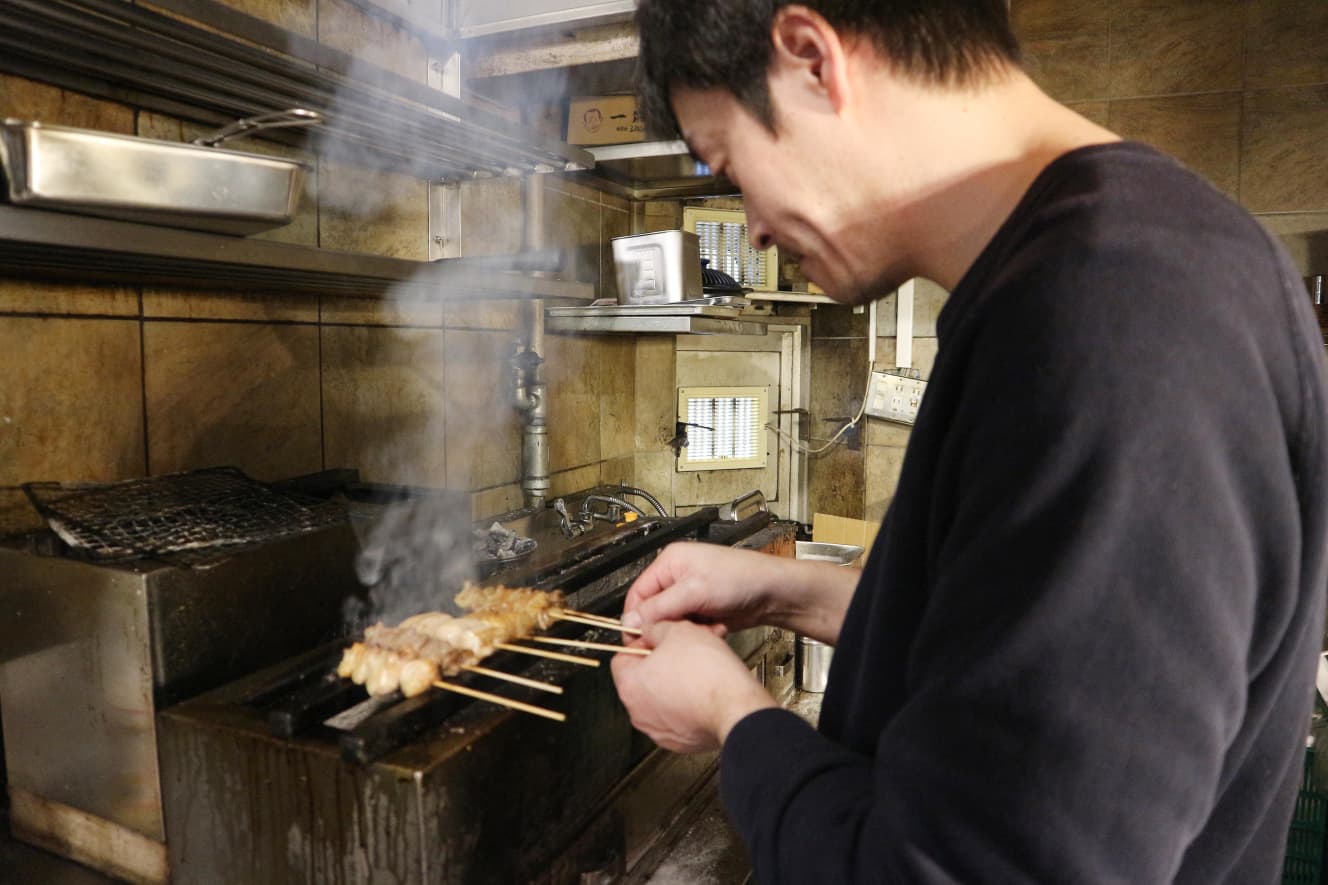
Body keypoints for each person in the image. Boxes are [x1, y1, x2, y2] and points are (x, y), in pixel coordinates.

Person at [608, 2, 1328, 883]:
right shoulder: (1114, 267)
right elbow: (1020, 634)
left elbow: (961, 868)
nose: (750, 224)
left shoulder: (1115, 319)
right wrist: (785, 590)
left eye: (727, 162)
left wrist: (731, 714)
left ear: (810, 58)